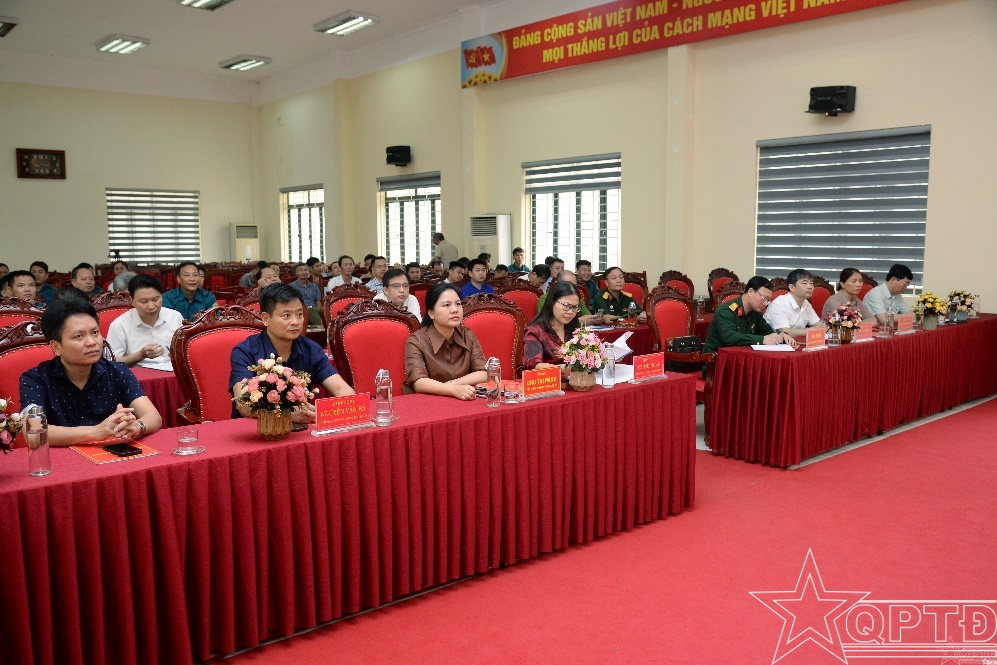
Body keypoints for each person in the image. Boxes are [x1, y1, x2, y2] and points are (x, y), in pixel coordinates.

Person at [19, 296, 162, 446]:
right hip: (61, 457)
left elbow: (153, 417)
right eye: (79, 336)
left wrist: (137, 426)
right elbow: (33, 433)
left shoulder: (117, 371)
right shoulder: (35, 379)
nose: (92, 342)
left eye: (95, 333)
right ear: (56, 347)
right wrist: (95, 432)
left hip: (109, 454)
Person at [230, 284, 354, 422]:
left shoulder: (311, 349)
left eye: (299, 314)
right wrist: (288, 415)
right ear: (266, 319)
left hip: (303, 429)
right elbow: (244, 405)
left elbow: (342, 389)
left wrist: (331, 411)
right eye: (286, 315)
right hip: (256, 429)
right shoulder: (245, 351)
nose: (295, 322)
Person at [403, 282, 487, 399]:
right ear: (431, 313)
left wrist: (452, 385)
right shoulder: (417, 340)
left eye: (458, 304)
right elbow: (419, 382)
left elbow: (483, 373)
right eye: (447, 305)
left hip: (464, 398)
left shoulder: (467, 335)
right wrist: (452, 390)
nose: (454, 310)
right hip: (428, 402)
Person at [106, 274, 184, 370]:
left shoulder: (175, 317)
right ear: (131, 300)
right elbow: (111, 362)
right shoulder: (119, 325)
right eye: (144, 301)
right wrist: (140, 355)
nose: (151, 306)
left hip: (173, 371)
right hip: (138, 374)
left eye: (155, 299)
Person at [703, 276, 797, 353]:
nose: (765, 303)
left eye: (768, 300)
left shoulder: (755, 312)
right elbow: (729, 337)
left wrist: (780, 335)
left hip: (742, 359)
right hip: (718, 362)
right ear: (750, 291)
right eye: (764, 298)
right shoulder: (726, 311)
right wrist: (762, 340)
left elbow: (767, 331)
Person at [523, 281, 584, 371]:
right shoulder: (535, 331)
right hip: (547, 379)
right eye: (566, 305)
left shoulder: (574, 328)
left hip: (576, 379)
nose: (570, 312)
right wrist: (566, 369)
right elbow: (534, 365)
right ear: (552, 303)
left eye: (575, 307)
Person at [763, 269, 825, 337]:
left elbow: (819, 325)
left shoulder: (806, 303)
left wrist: (826, 327)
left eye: (811, 283)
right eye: (804, 283)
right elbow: (785, 332)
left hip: (795, 342)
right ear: (792, 287)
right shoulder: (779, 304)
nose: (810, 287)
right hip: (773, 342)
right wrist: (810, 331)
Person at [536, 270, 602, 326]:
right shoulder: (545, 299)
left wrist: (594, 319)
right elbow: (545, 323)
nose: (572, 288)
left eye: (575, 285)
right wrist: (578, 321)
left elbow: (587, 315)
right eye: (567, 285)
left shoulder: (575, 298)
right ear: (558, 284)